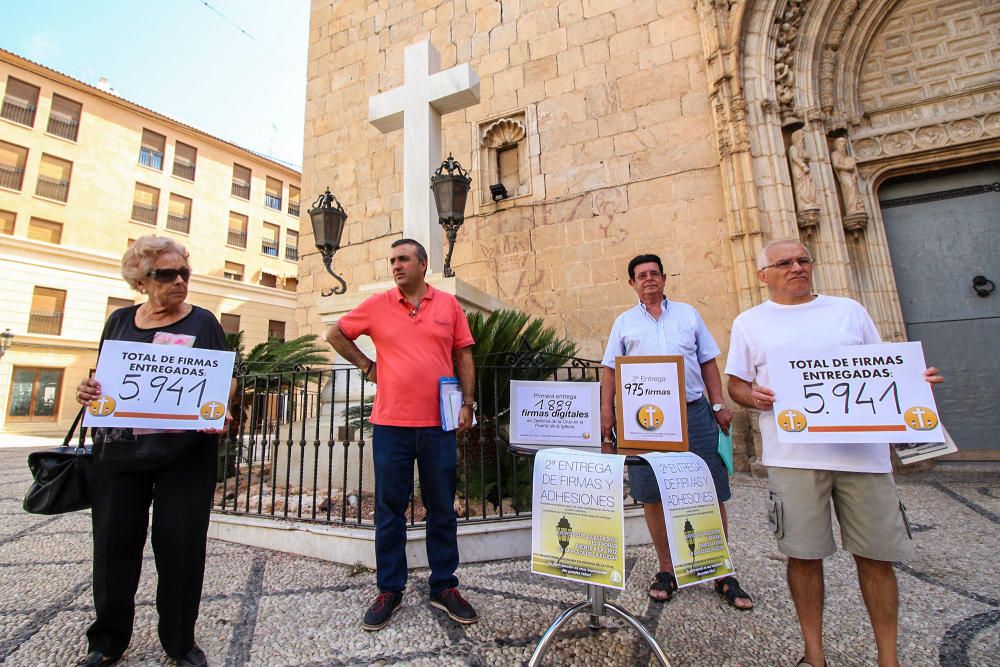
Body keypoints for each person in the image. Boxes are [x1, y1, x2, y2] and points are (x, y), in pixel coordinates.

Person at [725, 239, 943, 667]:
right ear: (762, 274)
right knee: (803, 556)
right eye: (784, 262)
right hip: (794, 457)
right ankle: (815, 654)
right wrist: (754, 397)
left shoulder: (849, 311)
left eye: (803, 260)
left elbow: (883, 368)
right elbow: (736, 383)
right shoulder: (749, 323)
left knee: (877, 557)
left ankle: (889, 659)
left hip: (862, 456)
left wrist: (916, 383)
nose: (797, 268)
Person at [75, 235, 232, 667]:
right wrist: (87, 390)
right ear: (141, 280)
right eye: (167, 274)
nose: (179, 281)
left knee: (180, 548)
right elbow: (103, 378)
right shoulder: (119, 321)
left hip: (184, 456)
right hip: (119, 454)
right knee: (112, 548)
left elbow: (223, 382)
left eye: (184, 273)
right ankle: (106, 641)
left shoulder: (203, 323)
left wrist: (220, 410)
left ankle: (180, 642)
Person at [325, 238, 478, 631]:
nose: (396, 265)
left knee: (442, 508)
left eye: (404, 259)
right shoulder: (377, 305)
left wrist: (468, 403)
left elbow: (463, 354)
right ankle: (389, 588)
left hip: (438, 425)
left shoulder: (447, 305)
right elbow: (335, 333)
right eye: (392, 259)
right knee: (389, 511)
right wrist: (366, 365)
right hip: (391, 424)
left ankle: (444, 585)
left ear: (422, 265)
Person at [600, 254, 753, 610]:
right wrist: (606, 415)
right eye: (642, 275)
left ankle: (721, 571)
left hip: (694, 413)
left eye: (655, 273)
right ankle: (667, 569)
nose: (649, 279)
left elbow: (707, 362)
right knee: (651, 494)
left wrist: (718, 404)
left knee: (709, 489)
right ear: (631, 284)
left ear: (664, 279)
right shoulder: (623, 323)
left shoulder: (688, 315)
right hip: (646, 423)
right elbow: (610, 370)